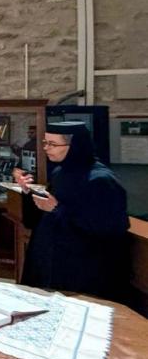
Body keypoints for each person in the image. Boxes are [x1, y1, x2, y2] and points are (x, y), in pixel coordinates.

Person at [13, 122, 130, 301]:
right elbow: (39, 217)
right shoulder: (60, 172)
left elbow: (107, 229)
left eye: (53, 144)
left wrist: (57, 209)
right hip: (49, 260)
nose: (46, 148)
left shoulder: (101, 180)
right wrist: (28, 192)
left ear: (74, 146)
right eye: (45, 142)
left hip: (80, 268)